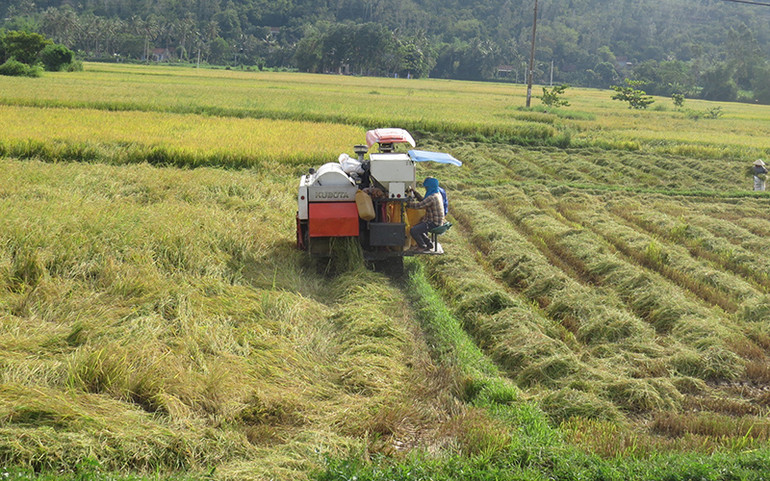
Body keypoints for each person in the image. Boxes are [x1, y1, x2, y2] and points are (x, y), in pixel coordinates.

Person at [406, 177, 445, 251]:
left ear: (430, 187)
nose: (426, 189)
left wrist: (407, 204)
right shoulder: (437, 194)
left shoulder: (432, 197)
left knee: (413, 230)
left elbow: (419, 206)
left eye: (427, 187)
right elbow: (424, 201)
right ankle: (429, 244)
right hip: (437, 221)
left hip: (433, 223)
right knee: (418, 226)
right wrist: (415, 193)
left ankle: (422, 246)